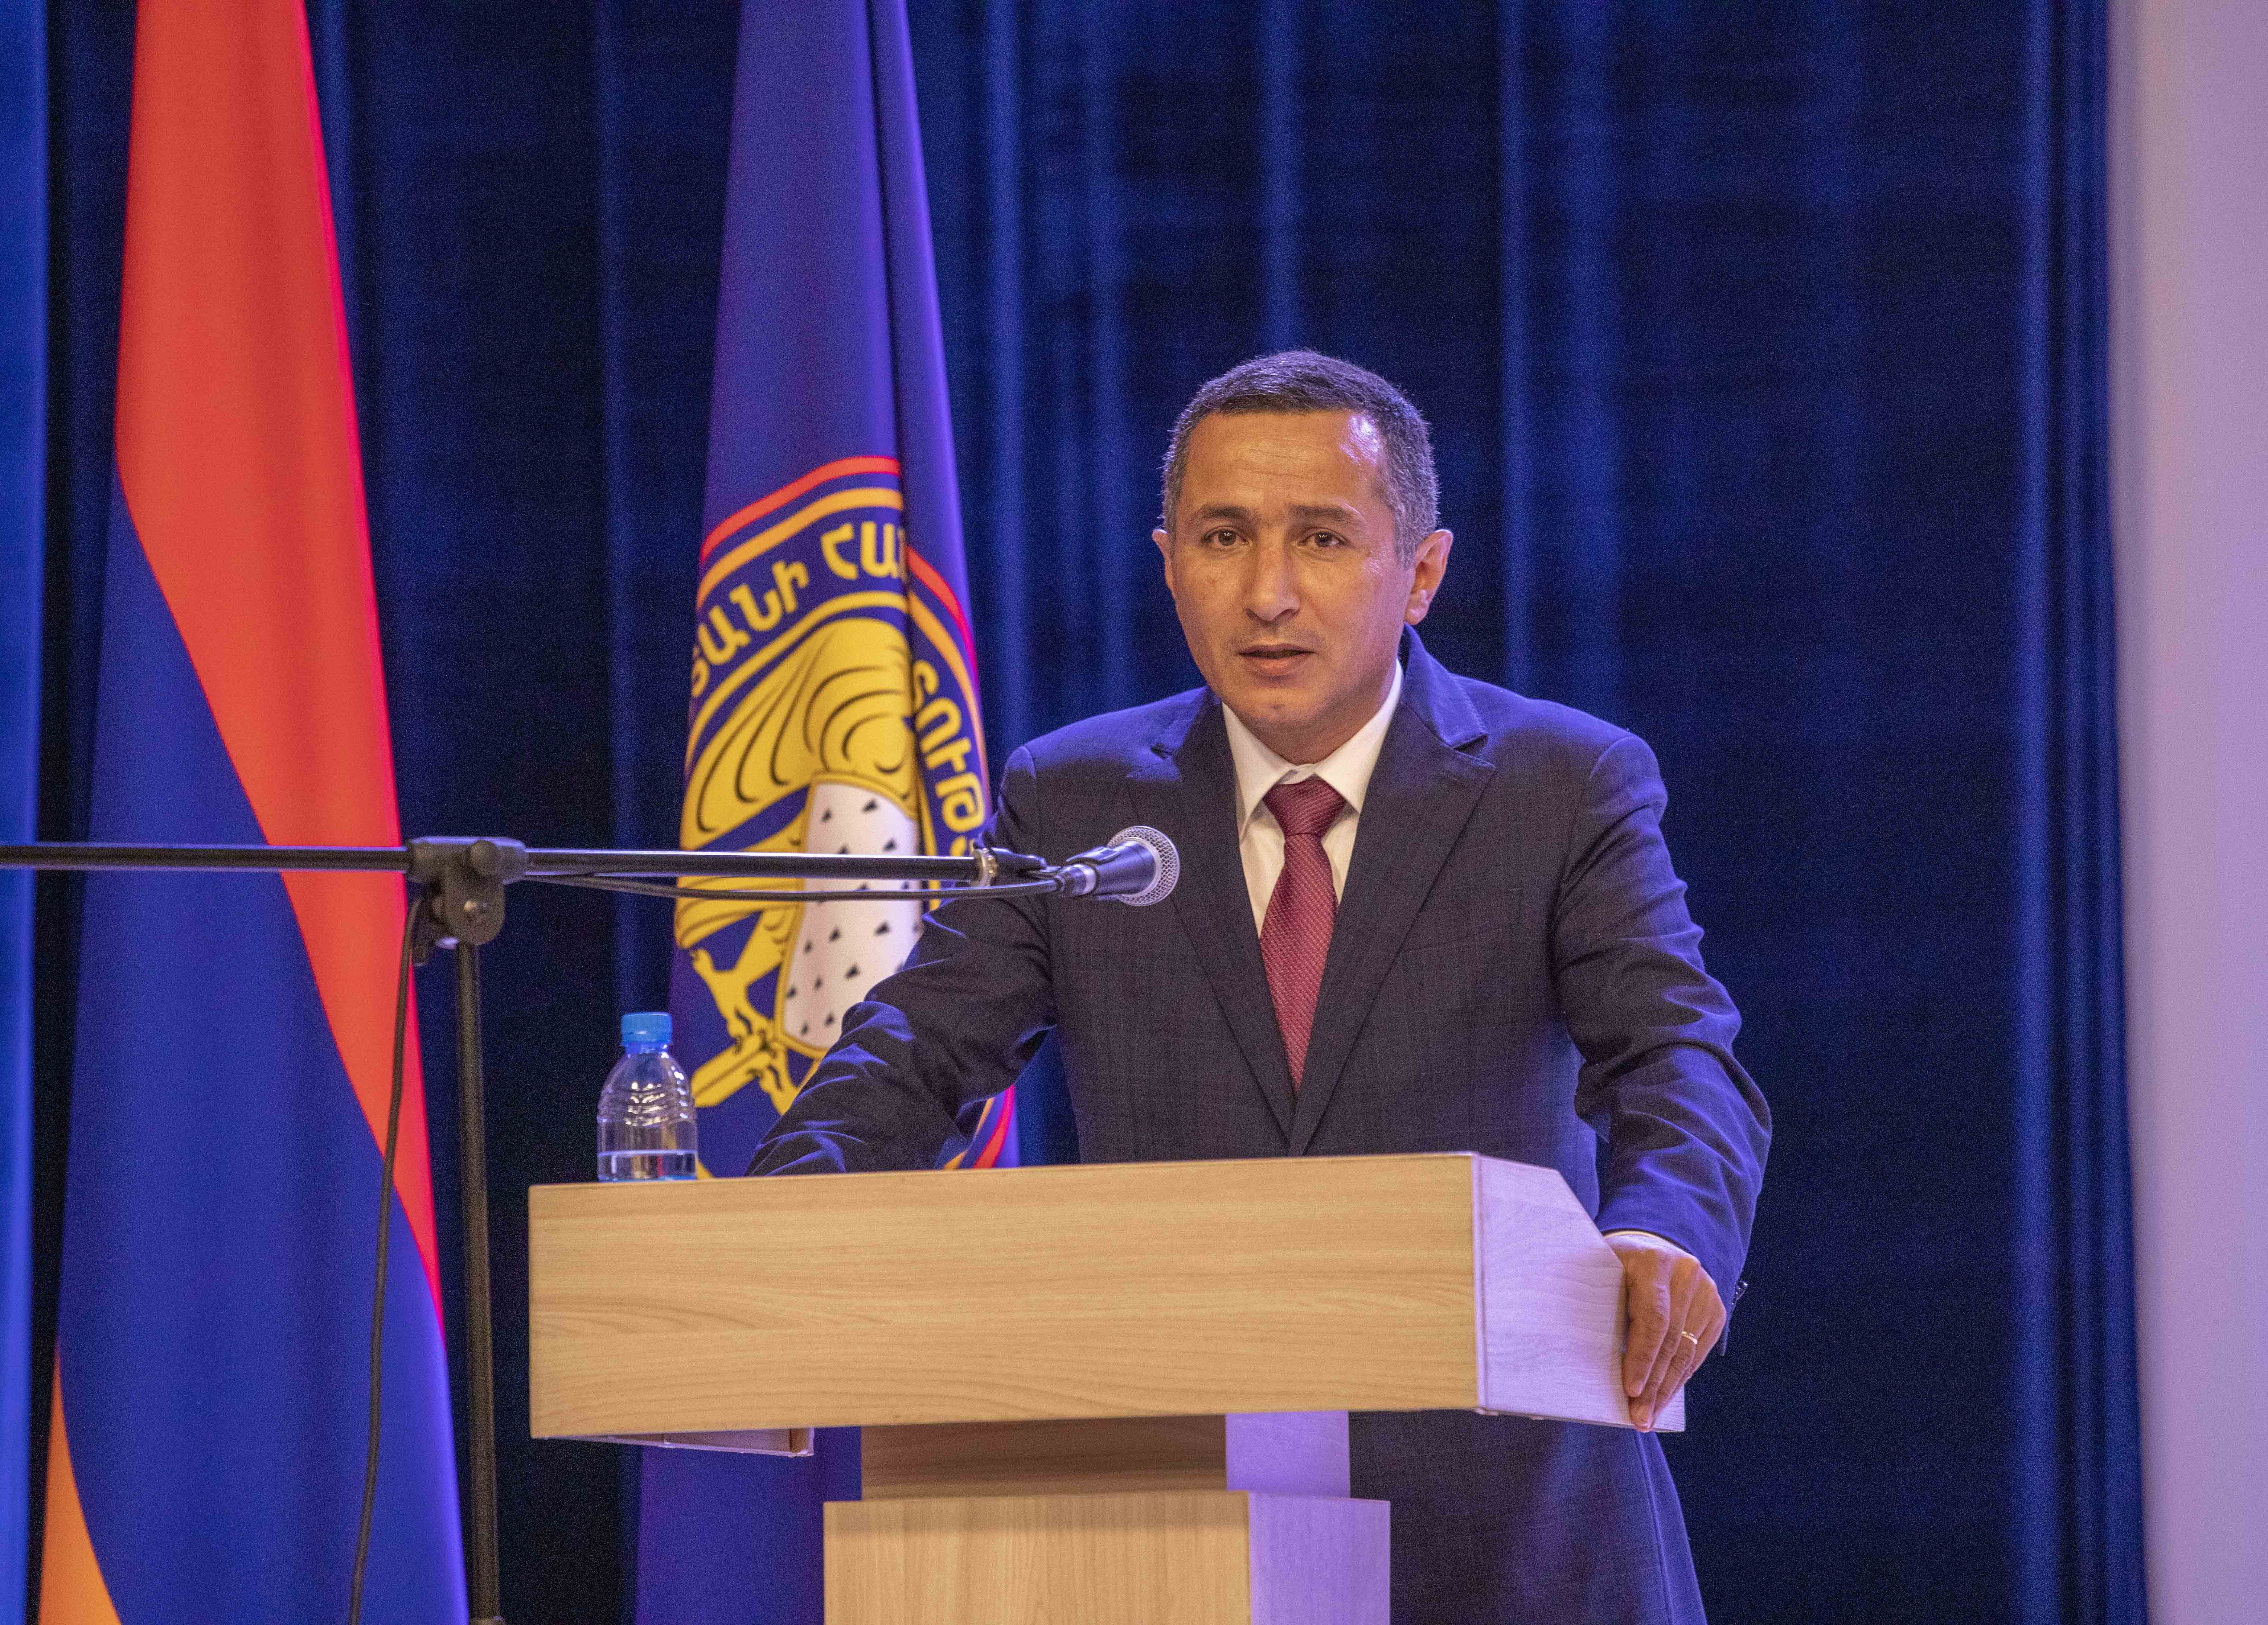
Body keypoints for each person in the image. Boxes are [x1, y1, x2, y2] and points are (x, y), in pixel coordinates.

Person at [750, 350, 1771, 1623]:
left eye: (1323, 539)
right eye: (1224, 537)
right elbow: (914, 1058)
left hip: (1518, 1531)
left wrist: (1666, 1229)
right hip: (1177, 1531)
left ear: (1423, 574)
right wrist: (768, 1245)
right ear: (1169, 562)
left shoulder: (1561, 786)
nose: (1268, 592)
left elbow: (1676, 1055)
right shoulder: (1075, 802)